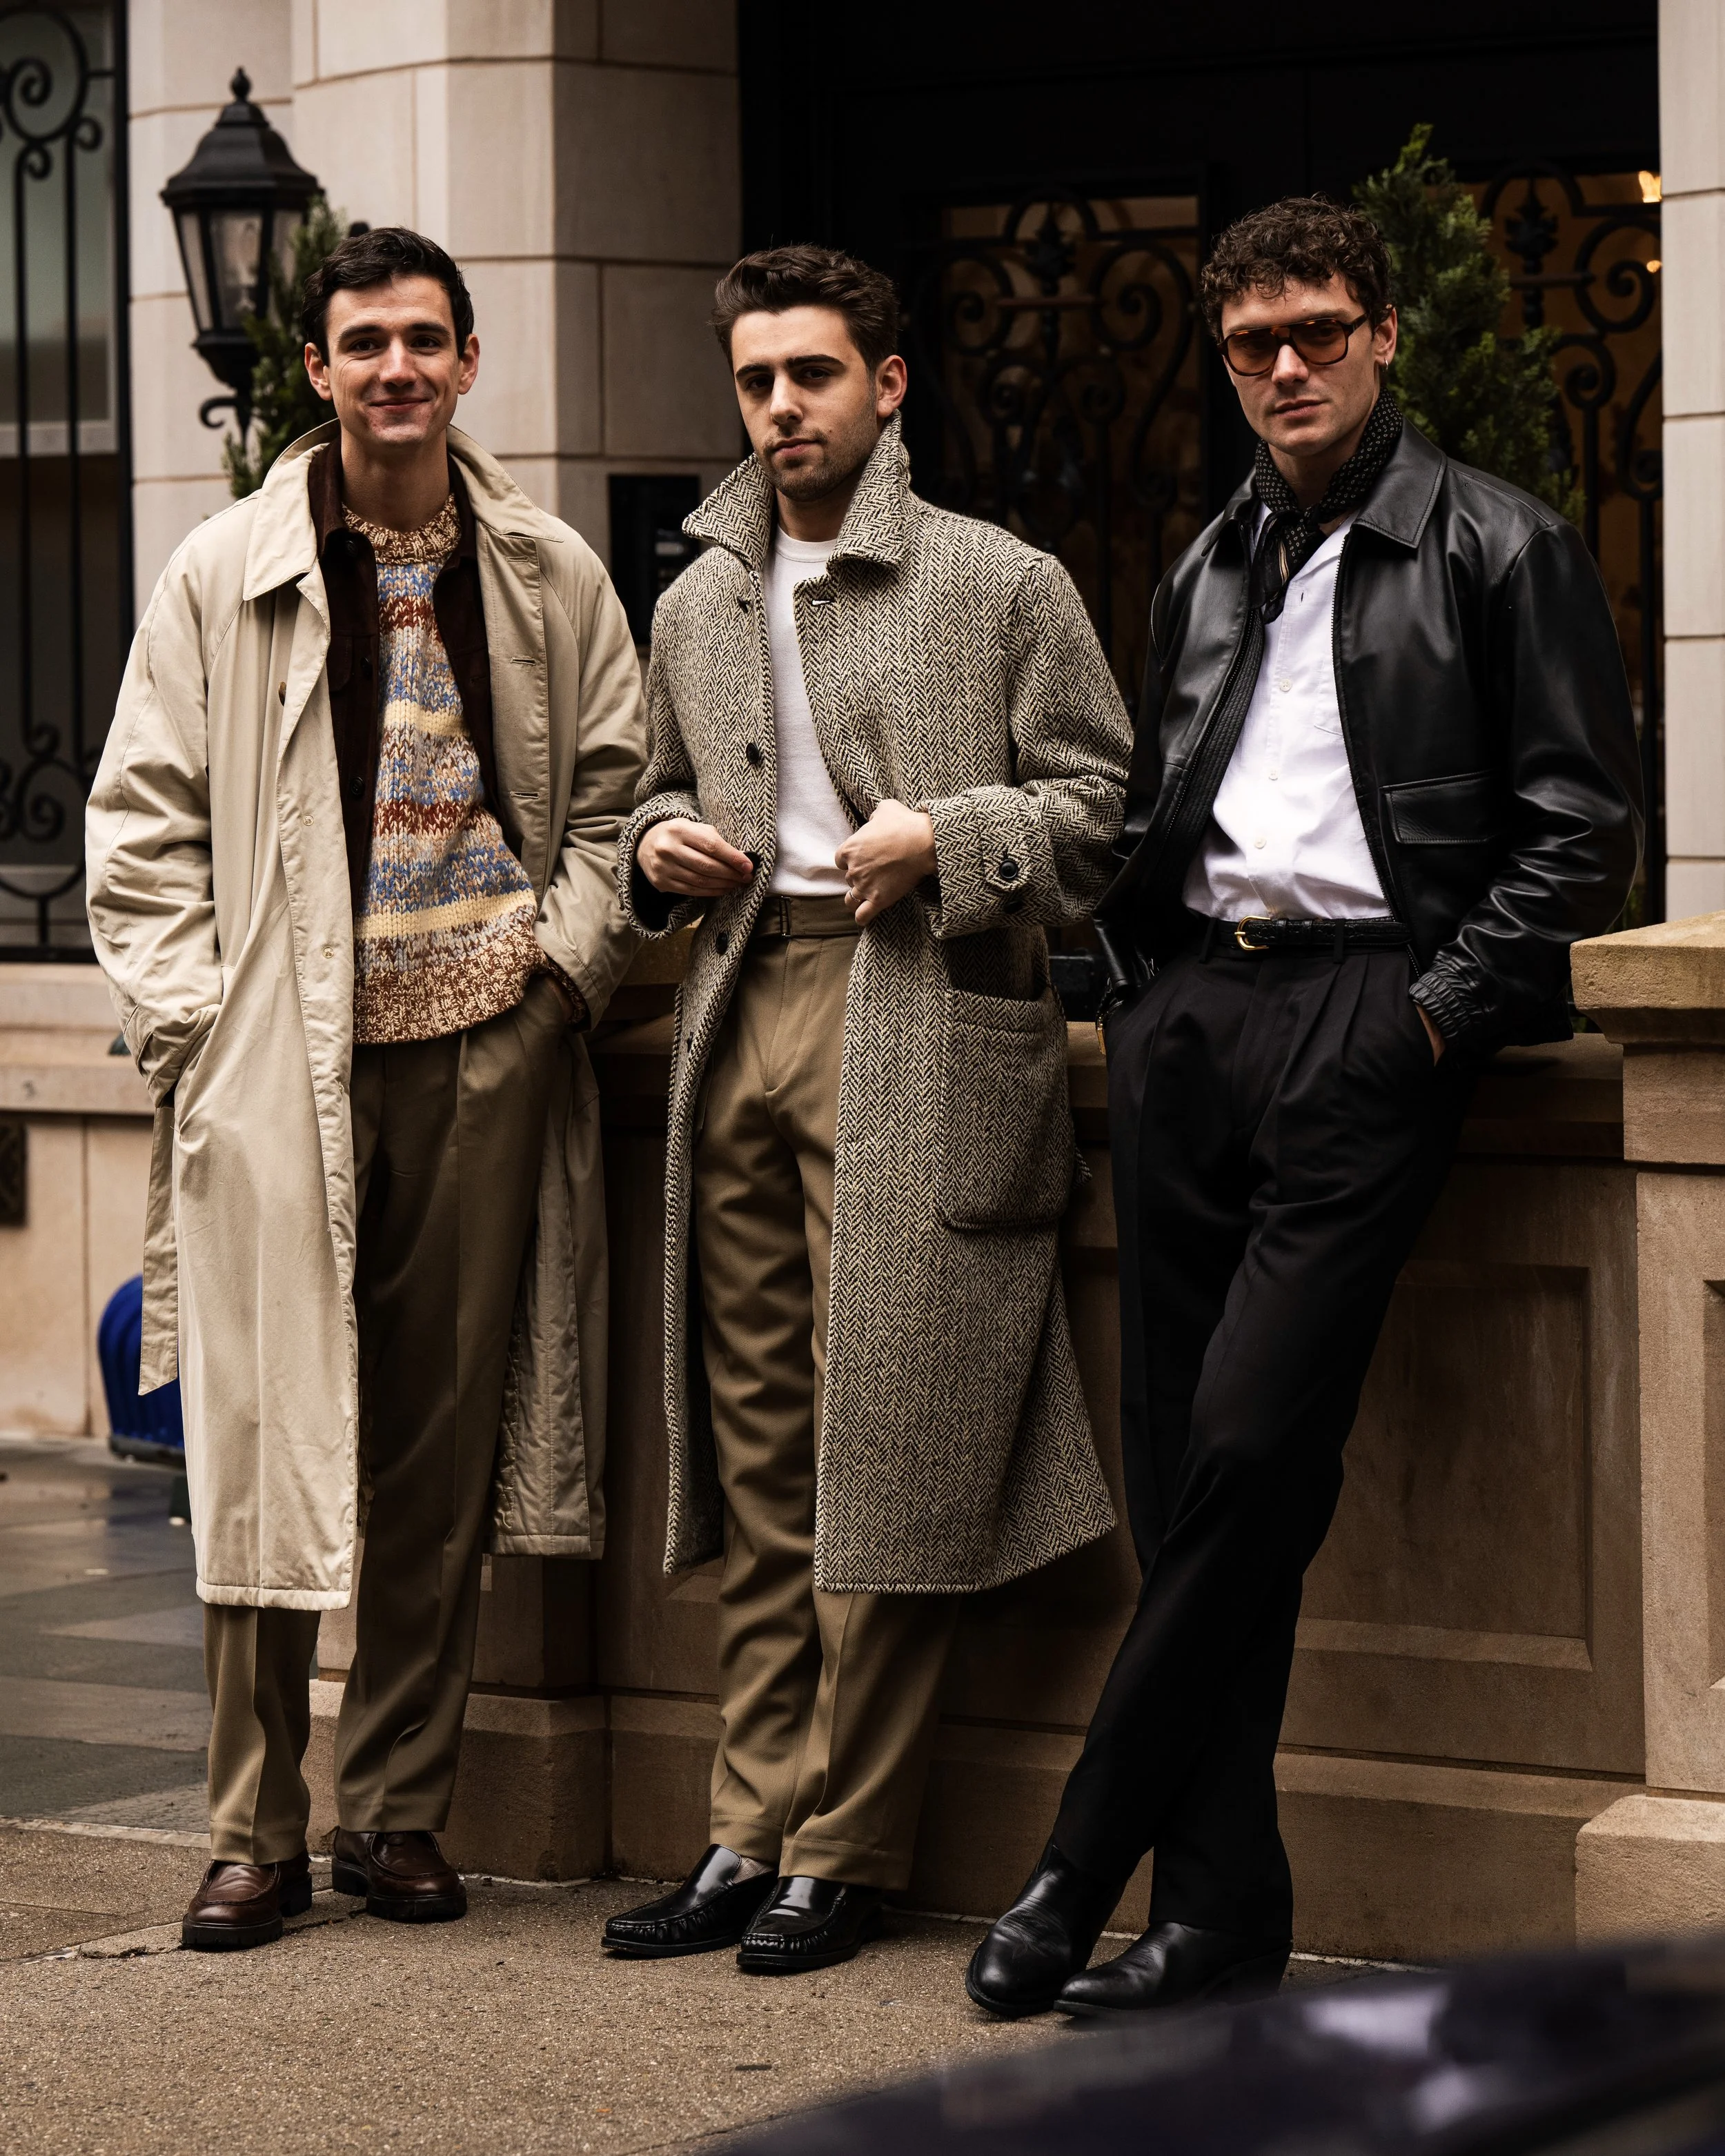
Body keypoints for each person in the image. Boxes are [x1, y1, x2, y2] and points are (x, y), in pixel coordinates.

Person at [967, 197, 1643, 2018]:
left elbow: (1583, 830)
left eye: (1317, 331)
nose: (1284, 367)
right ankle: (1217, 1913)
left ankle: (1074, 1858)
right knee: (1199, 1473)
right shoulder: (1211, 560)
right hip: (1193, 1020)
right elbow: (1152, 798)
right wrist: (1137, 990)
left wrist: (1428, 1016)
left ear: (1383, 334)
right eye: (1253, 341)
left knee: (1252, 1455)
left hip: (1367, 1021)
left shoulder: (1496, 546)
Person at [86, 226, 645, 1951]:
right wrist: (206, 1026)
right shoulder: (220, 572)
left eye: (423, 338)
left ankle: (397, 1810)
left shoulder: (549, 574)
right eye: (361, 343)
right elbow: (136, 833)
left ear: (471, 361)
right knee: (257, 1448)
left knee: (430, 1454)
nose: (394, 367)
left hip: (483, 1052)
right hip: (279, 1068)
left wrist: (557, 975)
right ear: (314, 373)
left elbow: (620, 803)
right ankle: (252, 1827)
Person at [603, 244, 1133, 1975]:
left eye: (812, 378)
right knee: (758, 1447)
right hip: (733, 1010)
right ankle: (745, 1828)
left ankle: (848, 1843)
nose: (781, 412)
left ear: (885, 384)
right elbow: (665, 793)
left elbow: (1098, 808)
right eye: (756, 382)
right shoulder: (689, 598)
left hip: (916, 1015)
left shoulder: (1000, 579)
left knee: (882, 1442)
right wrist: (657, 846)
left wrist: (952, 836)